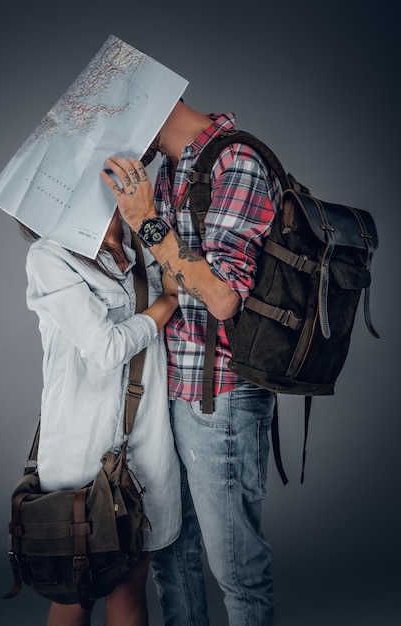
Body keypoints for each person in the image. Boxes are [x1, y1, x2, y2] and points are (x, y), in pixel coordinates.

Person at [100, 100, 282, 626]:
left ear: (155, 108)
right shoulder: (175, 168)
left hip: (221, 394)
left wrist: (149, 222)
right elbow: (176, 281)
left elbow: (222, 297)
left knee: (235, 567)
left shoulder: (238, 161)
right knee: (171, 555)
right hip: (171, 385)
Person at [21, 208, 182, 626]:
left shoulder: (143, 248)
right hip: (80, 450)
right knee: (76, 591)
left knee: (130, 589)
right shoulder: (50, 255)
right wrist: (165, 304)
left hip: (145, 444)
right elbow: (106, 348)